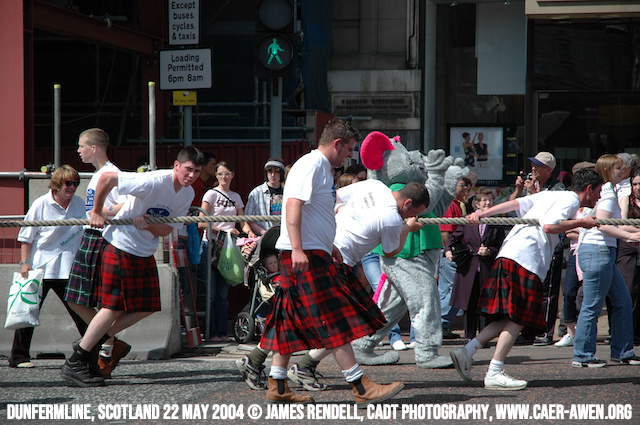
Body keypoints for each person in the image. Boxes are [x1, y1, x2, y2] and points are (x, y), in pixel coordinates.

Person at [257, 119, 405, 406]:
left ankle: (277, 384)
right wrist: (298, 249)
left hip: (313, 251)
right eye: (349, 149)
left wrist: (330, 245)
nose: (349, 155)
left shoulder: (322, 168)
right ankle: (360, 386)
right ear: (337, 144)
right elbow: (293, 205)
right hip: (304, 254)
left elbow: (317, 214)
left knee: (287, 319)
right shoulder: (311, 165)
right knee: (333, 318)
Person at [236, 178, 428, 396]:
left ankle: (269, 367)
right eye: (413, 213)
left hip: (321, 249)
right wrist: (408, 228)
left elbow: (334, 197)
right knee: (339, 322)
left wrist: (339, 211)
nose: (411, 217)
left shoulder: (373, 185)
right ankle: (347, 382)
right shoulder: (393, 218)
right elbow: (391, 250)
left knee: (294, 316)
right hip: (333, 260)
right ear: (408, 203)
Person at [60, 147, 204, 387]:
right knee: (112, 308)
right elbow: (107, 178)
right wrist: (96, 211)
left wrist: (147, 225)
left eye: (197, 171)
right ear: (176, 166)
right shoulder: (153, 181)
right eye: (188, 169)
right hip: (119, 244)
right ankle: (76, 361)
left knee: (148, 306)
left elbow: (166, 229)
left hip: (144, 251)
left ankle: (96, 341)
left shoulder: (187, 194)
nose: (192, 175)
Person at [450, 168, 602, 390]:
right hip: (526, 259)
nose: (599, 196)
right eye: (598, 191)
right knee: (519, 318)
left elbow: (514, 204)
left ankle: (467, 351)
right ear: (589, 189)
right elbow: (549, 227)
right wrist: (581, 223)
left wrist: (482, 214)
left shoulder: (549, 195)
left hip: (509, 254)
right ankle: (494, 372)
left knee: (511, 316)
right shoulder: (570, 200)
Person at [64, 128, 130, 378]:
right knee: (75, 299)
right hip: (91, 237)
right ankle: (109, 343)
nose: (78, 151)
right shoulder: (96, 174)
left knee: (104, 303)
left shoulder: (112, 173)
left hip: (103, 239)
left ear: (94, 148)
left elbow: (128, 204)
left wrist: (103, 212)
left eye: (81, 146)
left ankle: (104, 350)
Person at [10, 165, 87, 369]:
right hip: (41, 268)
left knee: (81, 313)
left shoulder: (80, 203)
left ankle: (92, 352)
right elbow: (26, 236)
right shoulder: (40, 204)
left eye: (76, 183)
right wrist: (24, 263)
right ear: (57, 184)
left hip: (69, 269)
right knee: (28, 311)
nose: (72, 187)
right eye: (68, 183)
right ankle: (18, 357)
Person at [572, 154, 640, 368]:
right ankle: (583, 355)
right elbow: (602, 224)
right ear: (609, 171)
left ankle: (622, 352)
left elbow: (614, 224)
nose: (624, 171)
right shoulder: (607, 192)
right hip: (597, 252)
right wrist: (629, 235)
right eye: (619, 168)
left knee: (622, 301)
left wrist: (631, 232)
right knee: (593, 305)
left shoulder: (609, 190)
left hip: (602, 253)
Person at [509, 152, 566, 346]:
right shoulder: (530, 185)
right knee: (529, 289)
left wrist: (534, 194)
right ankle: (528, 331)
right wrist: (519, 190)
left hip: (550, 244)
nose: (533, 168)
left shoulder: (558, 188)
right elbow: (513, 210)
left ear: (548, 169)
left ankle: (546, 332)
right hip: (530, 245)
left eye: (538, 165)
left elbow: (550, 214)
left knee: (548, 291)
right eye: (532, 164)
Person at [444, 187, 505, 340]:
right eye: (484, 200)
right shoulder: (468, 219)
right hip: (469, 268)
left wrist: (489, 251)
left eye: (490, 200)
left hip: (487, 268)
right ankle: (469, 337)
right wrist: (448, 250)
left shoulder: (497, 222)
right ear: (477, 204)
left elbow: (502, 247)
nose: (488, 203)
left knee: (485, 304)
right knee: (469, 304)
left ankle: (483, 338)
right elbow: (453, 238)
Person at [197, 160, 246, 342]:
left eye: (227, 173)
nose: (224, 177)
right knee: (210, 293)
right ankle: (209, 333)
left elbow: (243, 222)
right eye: (220, 174)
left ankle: (222, 333)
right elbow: (201, 222)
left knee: (222, 295)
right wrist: (224, 230)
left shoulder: (236, 196)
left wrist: (250, 234)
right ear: (216, 176)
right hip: (210, 246)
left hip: (228, 249)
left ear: (233, 175)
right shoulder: (211, 194)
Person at [439, 177, 472, 339]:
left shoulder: (460, 204)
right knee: (456, 290)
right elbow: (444, 231)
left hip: (452, 252)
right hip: (450, 254)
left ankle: (441, 325)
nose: (465, 188)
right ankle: (439, 323)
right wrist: (449, 250)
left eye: (467, 185)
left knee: (445, 291)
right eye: (462, 185)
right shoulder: (450, 204)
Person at [244, 158, 285, 237]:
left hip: (284, 236)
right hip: (262, 237)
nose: (272, 175)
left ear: (281, 174)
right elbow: (248, 219)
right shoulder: (256, 193)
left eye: (276, 172)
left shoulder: (288, 193)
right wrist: (264, 233)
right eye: (270, 171)